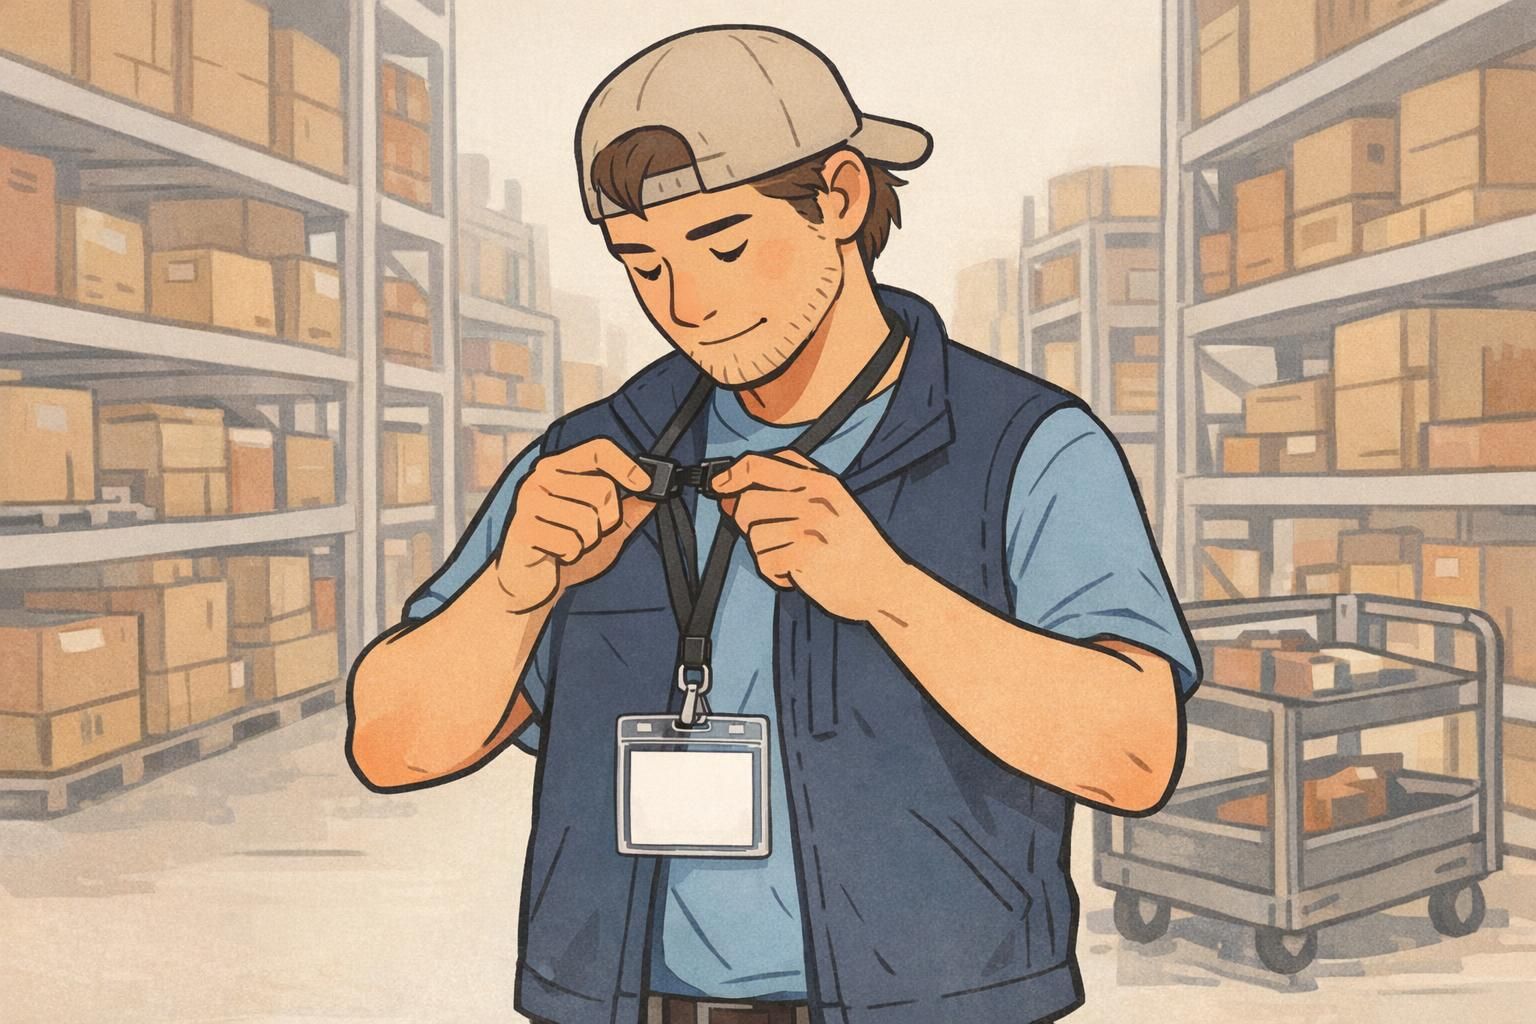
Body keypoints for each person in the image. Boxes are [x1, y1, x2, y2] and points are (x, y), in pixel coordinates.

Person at [347, 24, 1200, 1024]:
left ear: (839, 197)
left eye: (724, 244)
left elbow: (1137, 755)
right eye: (643, 263)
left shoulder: (1026, 446)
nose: (688, 306)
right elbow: (391, 746)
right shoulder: (595, 452)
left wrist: (891, 593)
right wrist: (510, 593)